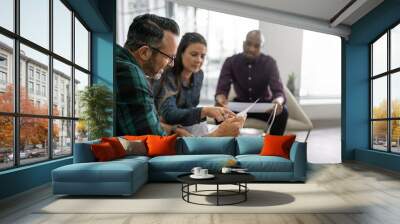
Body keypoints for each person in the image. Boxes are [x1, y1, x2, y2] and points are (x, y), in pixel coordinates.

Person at [115, 14, 243, 137]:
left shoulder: (118, 61)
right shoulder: (131, 73)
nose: (171, 64)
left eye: (203, 56)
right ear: (144, 52)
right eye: (169, 57)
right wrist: (216, 135)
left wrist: (174, 129)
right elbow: (157, 143)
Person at [153, 32, 235, 135]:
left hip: (185, 125)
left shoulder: (198, 75)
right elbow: (169, 114)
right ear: (181, 53)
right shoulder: (168, 74)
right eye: (194, 54)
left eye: (202, 56)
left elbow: (191, 107)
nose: (199, 60)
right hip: (163, 126)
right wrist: (204, 111)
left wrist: (218, 113)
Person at [215, 30, 288, 135]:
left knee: (283, 112)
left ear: (261, 47)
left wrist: (278, 102)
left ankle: (273, 148)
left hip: (264, 107)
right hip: (240, 105)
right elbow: (221, 89)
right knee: (219, 111)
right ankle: (224, 144)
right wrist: (220, 99)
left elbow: (279, 92)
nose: (251, 49)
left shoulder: (270, 63)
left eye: (256, 46)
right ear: (243, 43)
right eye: (248, 44)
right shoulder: (230, 61)